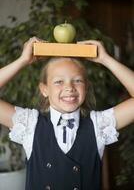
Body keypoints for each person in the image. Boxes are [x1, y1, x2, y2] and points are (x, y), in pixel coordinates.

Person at [0, 37, 134, 190]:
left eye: (77, 80)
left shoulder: (99, 125)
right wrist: (22, 60)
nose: (69, 87)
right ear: (44, 89)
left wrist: (106, 59)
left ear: (86, 87)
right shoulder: (29, 123)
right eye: (59, 82)